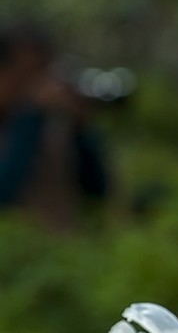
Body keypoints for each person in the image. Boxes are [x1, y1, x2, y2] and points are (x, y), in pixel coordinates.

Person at [0, 22, 109, 232]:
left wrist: (81, 130)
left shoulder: (51, 126)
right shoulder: (30, 120)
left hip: (61, 255)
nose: (39, 84)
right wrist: (29, 117)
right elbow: (4, 197)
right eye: (28, 73)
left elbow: (96, 193)